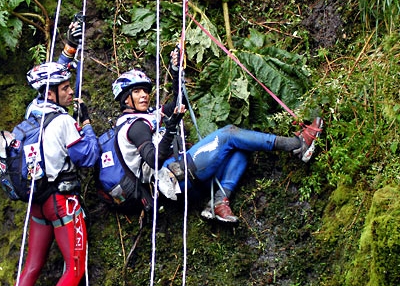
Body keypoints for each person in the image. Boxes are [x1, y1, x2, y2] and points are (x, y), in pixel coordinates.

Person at [109, 48, 323, 223]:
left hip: (184, 180)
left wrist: (175, 72)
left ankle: (218, 202)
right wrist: (172, 127)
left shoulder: (148, 116)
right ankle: (297, 144)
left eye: (145, 90)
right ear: (126, 99)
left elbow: (179, 102)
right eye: (136, 92)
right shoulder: (136, 126)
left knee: (241, 148)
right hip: (175, 179)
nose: (144, 95)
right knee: (229, 135)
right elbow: (154, 160)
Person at [2, 32, 100, 286]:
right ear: (53, 93)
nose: (71, 92)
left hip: (37, 202)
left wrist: (69, 50)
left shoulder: (34, 109)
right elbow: (88, 158)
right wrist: (86, 125)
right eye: (66, 88)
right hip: (62, 203)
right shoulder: (62, 122)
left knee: (32, 265)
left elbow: (54, 73)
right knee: (74, 267)